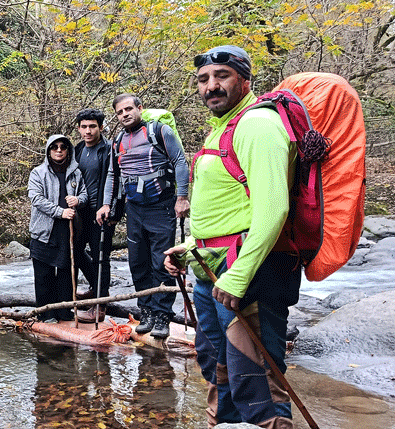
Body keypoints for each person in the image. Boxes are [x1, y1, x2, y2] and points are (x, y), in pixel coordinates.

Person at [165, 45, 299, 428]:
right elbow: (230, 207)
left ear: (245, 78)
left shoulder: (258, 125)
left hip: (247, 272)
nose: (212, 86)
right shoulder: (224, 126)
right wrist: (192, 247)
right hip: (211, 269)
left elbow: (274, 210)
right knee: (219, 368)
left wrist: (239, 275)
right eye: (204, 80)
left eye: (222, 76)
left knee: (255, 377)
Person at [95, 93, 190, 339]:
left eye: (129, 109)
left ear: (139, 108)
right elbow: (113, 176)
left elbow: (180, 161)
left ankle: (162, 315)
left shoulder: (159, 132)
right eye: (120, 112)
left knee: (162, 262)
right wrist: (106, 204)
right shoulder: (118, 141)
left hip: (162, 206)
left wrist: (182, 197)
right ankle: (145, 311)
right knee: (138, 262)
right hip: (134, 209)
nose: (125, 114)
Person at [28, 134, 87, 322]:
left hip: (68, 231)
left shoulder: (76, 172)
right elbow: (36, 199)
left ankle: (65, 310)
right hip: (44, 232)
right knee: (44, 276)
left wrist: (78, 200)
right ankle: (45, 314)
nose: (59, 150)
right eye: (55, 147)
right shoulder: (38, 173)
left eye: (63, 147)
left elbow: (85, 194)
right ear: (48, 150)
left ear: (68, 149)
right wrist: (59, 212)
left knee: (66, 275)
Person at [72, 109, 114, 322]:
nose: (88, 131)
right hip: (81, 212)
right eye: (84, 127)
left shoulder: (108, 150)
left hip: (101, 212)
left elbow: (115, 181)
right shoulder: (78, 149)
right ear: (78, 128)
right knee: (76, 252)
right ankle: (95, 288)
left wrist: (112, 209)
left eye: (93, 126)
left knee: (100, 257)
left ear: (101, 127)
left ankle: (100, 304)